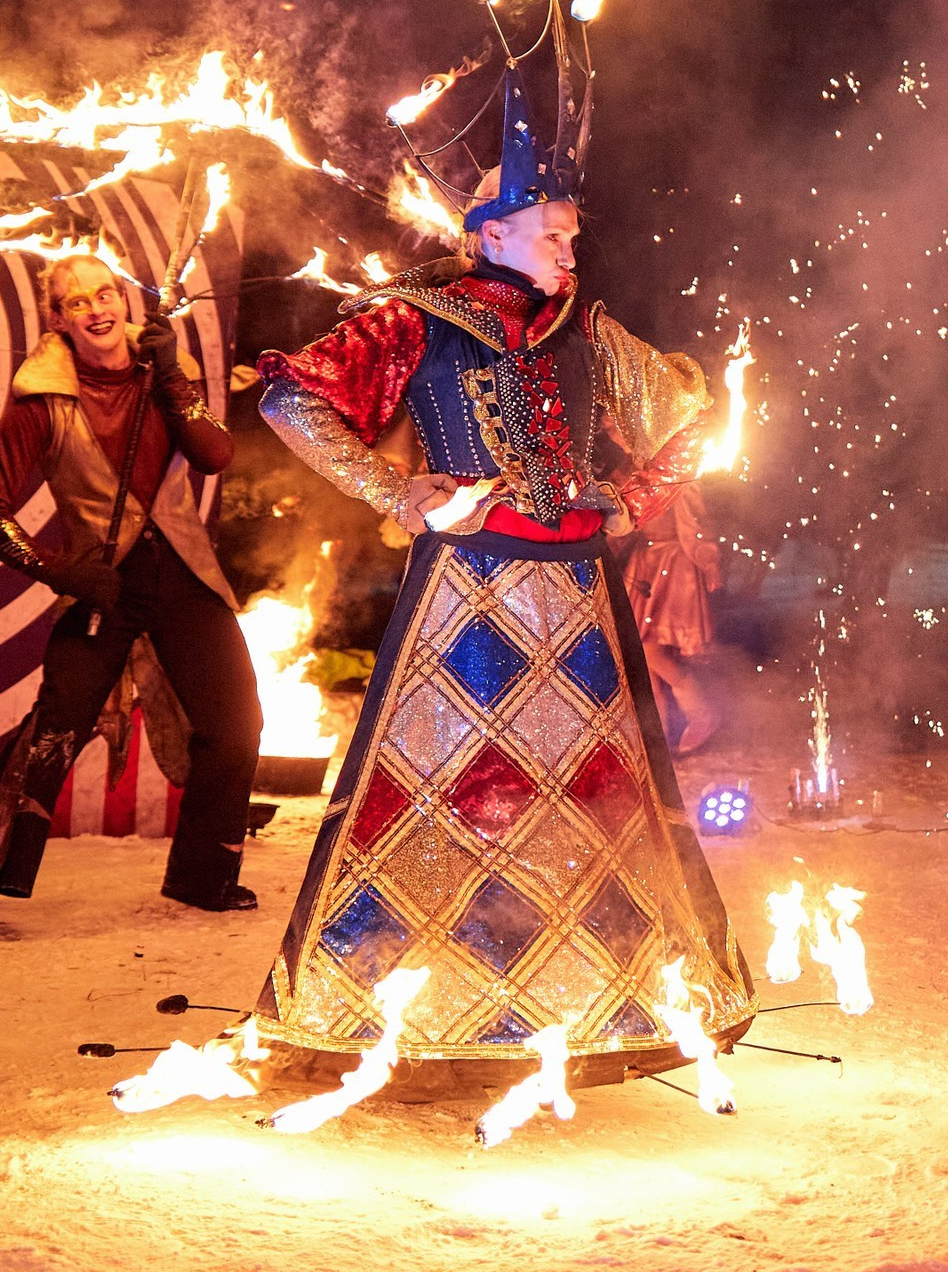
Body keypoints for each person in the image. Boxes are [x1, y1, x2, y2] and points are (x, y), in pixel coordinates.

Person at [250, 66, 753, 1089]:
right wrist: (401, 494)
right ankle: (420, 1012)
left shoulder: (593, 335)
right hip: (465, 597)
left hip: (574, 596)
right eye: (553, 232)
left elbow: (694, 419)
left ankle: (583, 1004)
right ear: (490, 234)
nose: (572, 248)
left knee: (583, 803)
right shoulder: (415, 319)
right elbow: (292, 400)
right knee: (454, 796)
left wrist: (627, 501)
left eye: (573, 232)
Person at [0, 255, 264, 940]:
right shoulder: (41, 398)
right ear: (59, 319)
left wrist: (173, 374)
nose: (96, 308)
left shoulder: (161, 376)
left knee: (236, 722)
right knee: (52, 730)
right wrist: (60, 571)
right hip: (102, 580)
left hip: (181, 569)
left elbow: (215, 453)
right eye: (76, 301)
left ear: (124, 300)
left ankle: (202, 874)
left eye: (105, 292)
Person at [619, 482, 725, 753]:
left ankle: (701, 714)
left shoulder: (674, 475)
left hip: (673, 565)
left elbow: (694, 525)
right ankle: (657, 739)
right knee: (640, 658)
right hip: (645, 563)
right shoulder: (628, 472)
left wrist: (708, 562)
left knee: (650, 652)